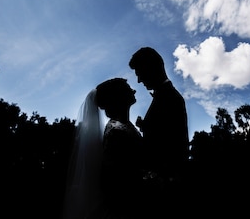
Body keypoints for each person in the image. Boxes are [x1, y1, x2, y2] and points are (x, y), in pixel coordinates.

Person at [62, 78, 143, 219]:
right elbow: (115, 178)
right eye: (127, 88)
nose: (133, 90)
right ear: (117, 97)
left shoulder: (124, 127)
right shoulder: (116, 131)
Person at [128, 47, 189, 217]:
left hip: (166, 194)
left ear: (152, 68)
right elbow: (162, 135)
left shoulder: (171, 98)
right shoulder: (164, 96)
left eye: (140, 73)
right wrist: (145, 127)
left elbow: (177, 147)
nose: (139, 80)